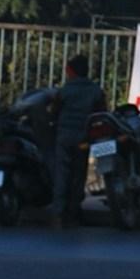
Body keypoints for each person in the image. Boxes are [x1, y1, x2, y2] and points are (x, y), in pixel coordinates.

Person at [50, 54, 102, 228]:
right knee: (79, 175)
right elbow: (100, 114)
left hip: (64, 135)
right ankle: (73, 213)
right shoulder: (96, 90)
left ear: (71, 71)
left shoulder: (64, 90)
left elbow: (54, 112)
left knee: (62, 174)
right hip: (83, 138)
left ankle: (58, 214)